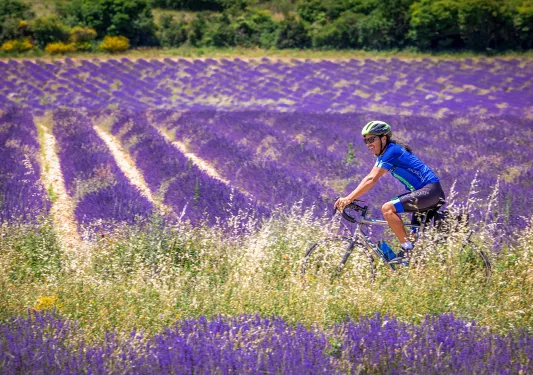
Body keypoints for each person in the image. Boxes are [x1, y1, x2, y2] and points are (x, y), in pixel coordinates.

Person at [334, 121, 445, 261]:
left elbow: (371, 179)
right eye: (365, 141)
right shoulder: (384, 154)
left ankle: (407, 251)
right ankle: (412, 262)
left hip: (430, 191)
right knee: (414, 239)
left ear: (384, 138)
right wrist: (350, 197)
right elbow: (369, 177)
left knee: (387, 209)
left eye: (371, 139)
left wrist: (348, 198)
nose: (368, 144)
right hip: (426, 193)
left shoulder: (392, 151)